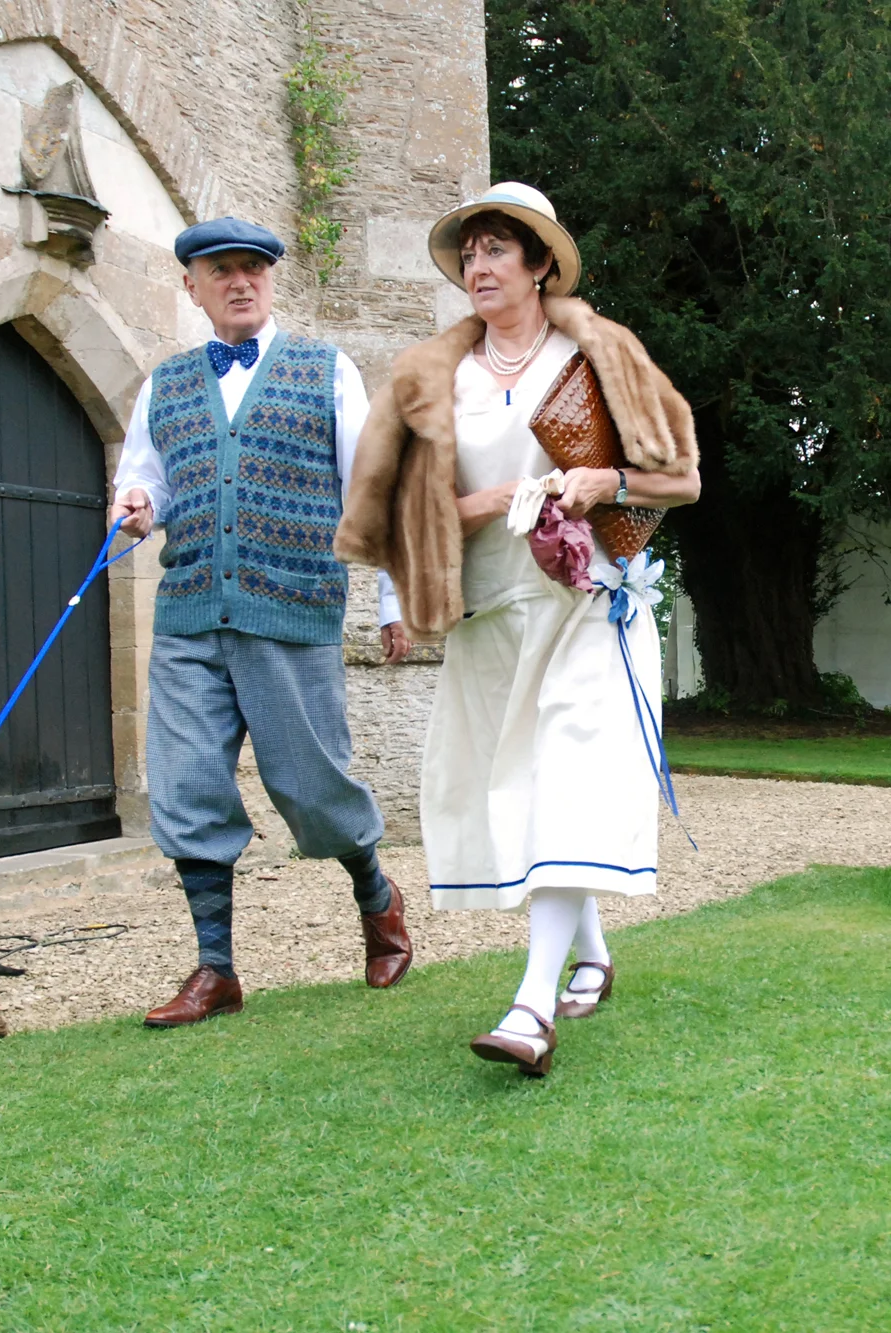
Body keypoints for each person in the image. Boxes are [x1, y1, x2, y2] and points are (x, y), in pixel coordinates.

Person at [335, 183, 700, 1075]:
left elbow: (682, 479)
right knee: (525, 790)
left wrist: (602, 482)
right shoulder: (431, 377)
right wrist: (481, 502)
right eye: (470, 253)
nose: (480, 265)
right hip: (488, 617)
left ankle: (531, 1008)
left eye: (499, 249)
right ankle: (594, 952)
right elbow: (391, 516)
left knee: (567, 781)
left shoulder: (599, 355)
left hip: (587, 603)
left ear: (541, 265)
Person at [109, 216, 415, 1027]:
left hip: (292, 608)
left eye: (253, 269)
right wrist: (136, 509)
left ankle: (378, 900)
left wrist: (391, 599)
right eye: (221, 271)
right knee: (186, 786)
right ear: (193, 288)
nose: (240, 282)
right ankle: (216, 970)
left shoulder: (325, 371)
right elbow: (145, 482)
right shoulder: (163, 385)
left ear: (270, 281)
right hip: (188, 614)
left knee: (314, 786)